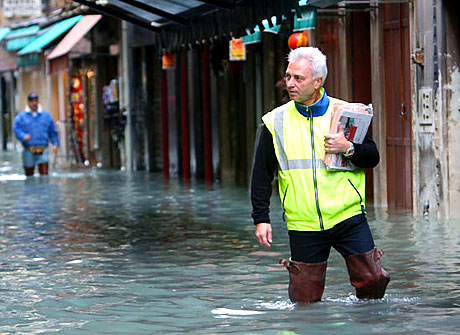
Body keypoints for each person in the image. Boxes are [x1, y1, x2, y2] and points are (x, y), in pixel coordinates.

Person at [250, 47, 390, 304]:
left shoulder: (347, 113)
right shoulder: (275, 122)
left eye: (298, 78)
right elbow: (261, 175)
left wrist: (347, 148)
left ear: (318, 82)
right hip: (304, 223)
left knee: (373, 280)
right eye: (288, 76)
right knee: (304, 302)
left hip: (348, 216)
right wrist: (261, 218)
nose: (290, 83)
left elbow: (372, 157)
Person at [14, 92, 59, 176]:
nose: (34, 103)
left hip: (43, 148)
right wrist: (23, 136)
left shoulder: (46, 116)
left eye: (35, 101)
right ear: (28, 102)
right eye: (32, 101)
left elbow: (52, 131)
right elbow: (17, 129)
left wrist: (55, 144)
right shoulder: (21, 117)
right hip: (28, 149)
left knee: (44, 173)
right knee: (29, 174)